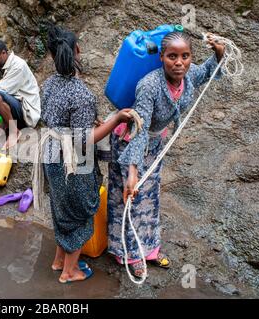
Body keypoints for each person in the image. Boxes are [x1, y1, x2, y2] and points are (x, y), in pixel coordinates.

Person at [107, 31, 225, 278]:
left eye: (185, 56)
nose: (179, 62)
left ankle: (149, 248)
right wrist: (132, 171)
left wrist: (219, 53)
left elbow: (207, 72)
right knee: (130, 198)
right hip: (129, 144)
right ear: (161, 57)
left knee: (150, 197)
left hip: (155, 145)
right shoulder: (149, 86)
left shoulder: (189, 75)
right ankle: (128, 253)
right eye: (172, 56)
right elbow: (139, 129)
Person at [39, 25, 132, 283]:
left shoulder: (48, 84)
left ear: (52, 55)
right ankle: (70, 271)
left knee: (61, 206)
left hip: (50, 153)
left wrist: (93, 121)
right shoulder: (81, 94)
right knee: (79, 210)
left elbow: (60, 122)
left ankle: (59, 261)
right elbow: (82, 142)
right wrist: (116, 120)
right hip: (72, 161)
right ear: (77, 50)